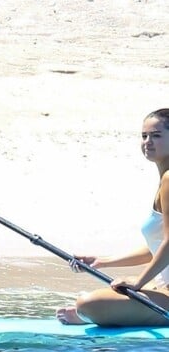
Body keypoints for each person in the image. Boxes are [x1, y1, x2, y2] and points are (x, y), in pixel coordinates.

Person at [56, 109, 169, 326]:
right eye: (144, 136)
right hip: (162, 287)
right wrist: (103, 261)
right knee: (97, 300)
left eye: (156, 135)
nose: (147, 142)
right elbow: (157, 246)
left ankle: (94, 316)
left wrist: (138, 284)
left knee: (87, 304)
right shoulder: (164, 178)